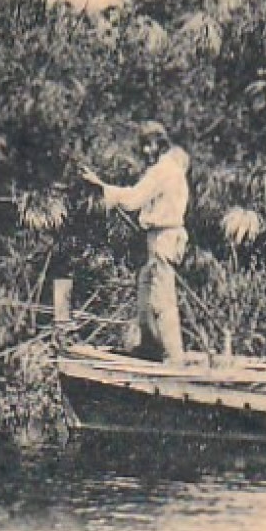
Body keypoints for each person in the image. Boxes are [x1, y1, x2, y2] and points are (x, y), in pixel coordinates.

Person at [81, 121, 191, 362]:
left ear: (158, 144)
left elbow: (133, 199)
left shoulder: (163, 171)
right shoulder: (168, 169)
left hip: (164, 237)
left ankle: (174, 358)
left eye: (147, 145)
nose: (143, 151)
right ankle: (150, 347)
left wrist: (101, 186)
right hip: (160, 237)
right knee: (146, 293)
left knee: (161, 299)